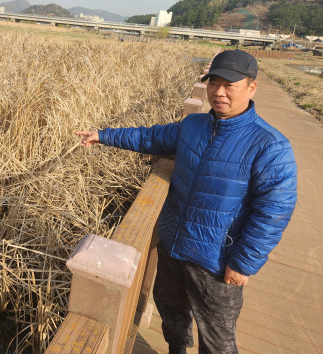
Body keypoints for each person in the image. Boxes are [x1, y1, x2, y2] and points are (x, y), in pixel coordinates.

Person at [76, 49, 297, 354]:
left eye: (229, 85)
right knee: (172, 319)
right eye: (213, 84)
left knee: (217, 341)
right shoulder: (193, 126)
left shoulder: (269, 146)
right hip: (173, 247)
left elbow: (274, 212)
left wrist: (243, 263)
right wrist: (103, 135)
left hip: (217, 263)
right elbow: (150, 138)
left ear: (251, 87)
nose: (219, 93)